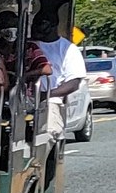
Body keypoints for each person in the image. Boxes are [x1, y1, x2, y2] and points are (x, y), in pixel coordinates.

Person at [31, 11, 87, 141]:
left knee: (50, 132)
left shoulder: (68, 49)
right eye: (35, 23)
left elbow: (74, 83)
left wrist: (47, 94)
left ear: (54, 25)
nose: (37, 27)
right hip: (24, 97)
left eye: (42, 23)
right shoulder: (30, 46)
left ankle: (41, 160)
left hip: (50, 99)